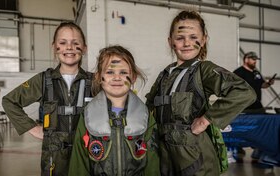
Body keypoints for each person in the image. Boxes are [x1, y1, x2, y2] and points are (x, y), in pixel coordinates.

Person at [145, 10, 256, 176]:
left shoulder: (203, 70)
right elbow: (149, 107)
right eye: (180, 38)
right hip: (164, 153)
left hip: (194, 155)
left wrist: (206, 119)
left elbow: (244, 92)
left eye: (193, 37)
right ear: (170, 42)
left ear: (203, 40)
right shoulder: (165, 74)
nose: (187, 43)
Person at [2, 22, 92, 176]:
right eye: (62, 43)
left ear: (84, 48)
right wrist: (33, 128)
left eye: (75, 43)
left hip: (87, 155)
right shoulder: (43, 80)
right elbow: (9, 101)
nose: (69, 47)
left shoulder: (95, 82)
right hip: (54, 158)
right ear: (54, 47)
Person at [69, 45, 160, 176]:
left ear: (133, 77)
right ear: (99, 77)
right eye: (110, 72)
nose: (117, 78)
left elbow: (153, 164)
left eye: (123, 72)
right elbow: (79, 164)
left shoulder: (144, 116)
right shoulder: (88, 116)